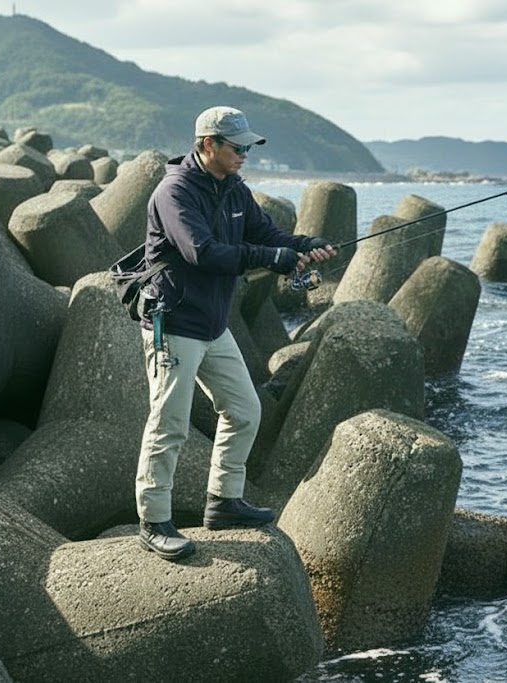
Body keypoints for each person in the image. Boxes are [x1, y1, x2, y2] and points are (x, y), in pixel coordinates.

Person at [135, 105, 336, 561]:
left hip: (213, 326)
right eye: (238, 147)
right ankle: (153, 521)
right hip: (175, 324)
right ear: (208, 144)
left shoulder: (234, 188)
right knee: (169, 425)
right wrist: (272, 259)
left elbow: (266, 234)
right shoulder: (174, 192)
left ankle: (224, 502)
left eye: (249, 147)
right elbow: (202, 252)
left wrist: (302, 245)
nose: (245, 154)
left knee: (245, 410)